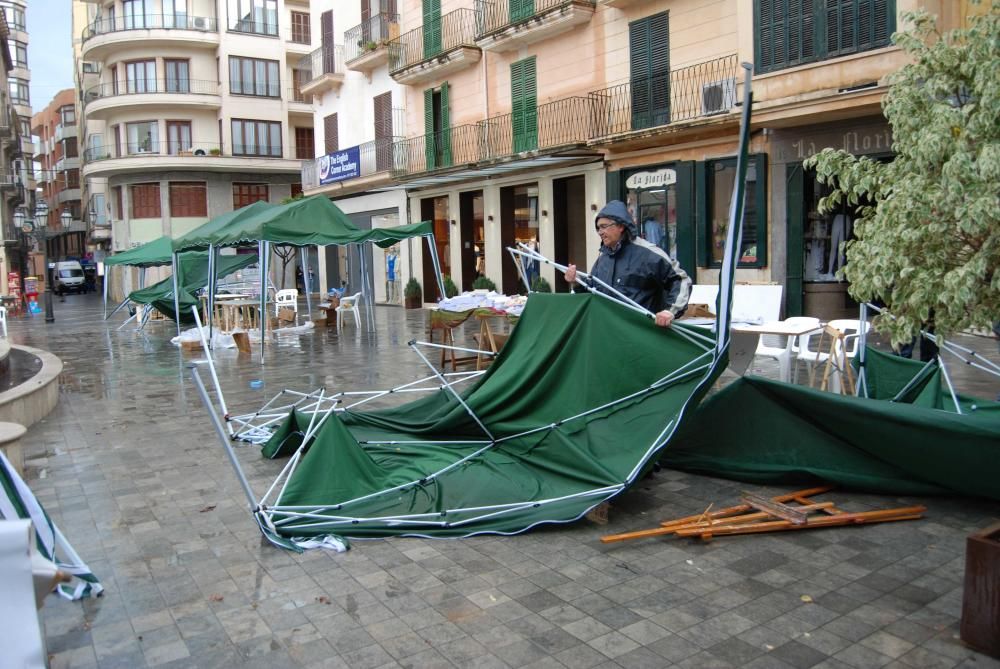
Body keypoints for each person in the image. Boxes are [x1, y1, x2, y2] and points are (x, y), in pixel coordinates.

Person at [564, 200, 691, 328]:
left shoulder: (648, 253)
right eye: (598, 228)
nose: (600, 232)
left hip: (642, 333)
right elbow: (592, 293)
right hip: (608, 332)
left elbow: (680, 280)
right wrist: (577, 281)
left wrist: (670, 311)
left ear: (621, 226)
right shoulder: (603, 259)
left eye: (604, 226)